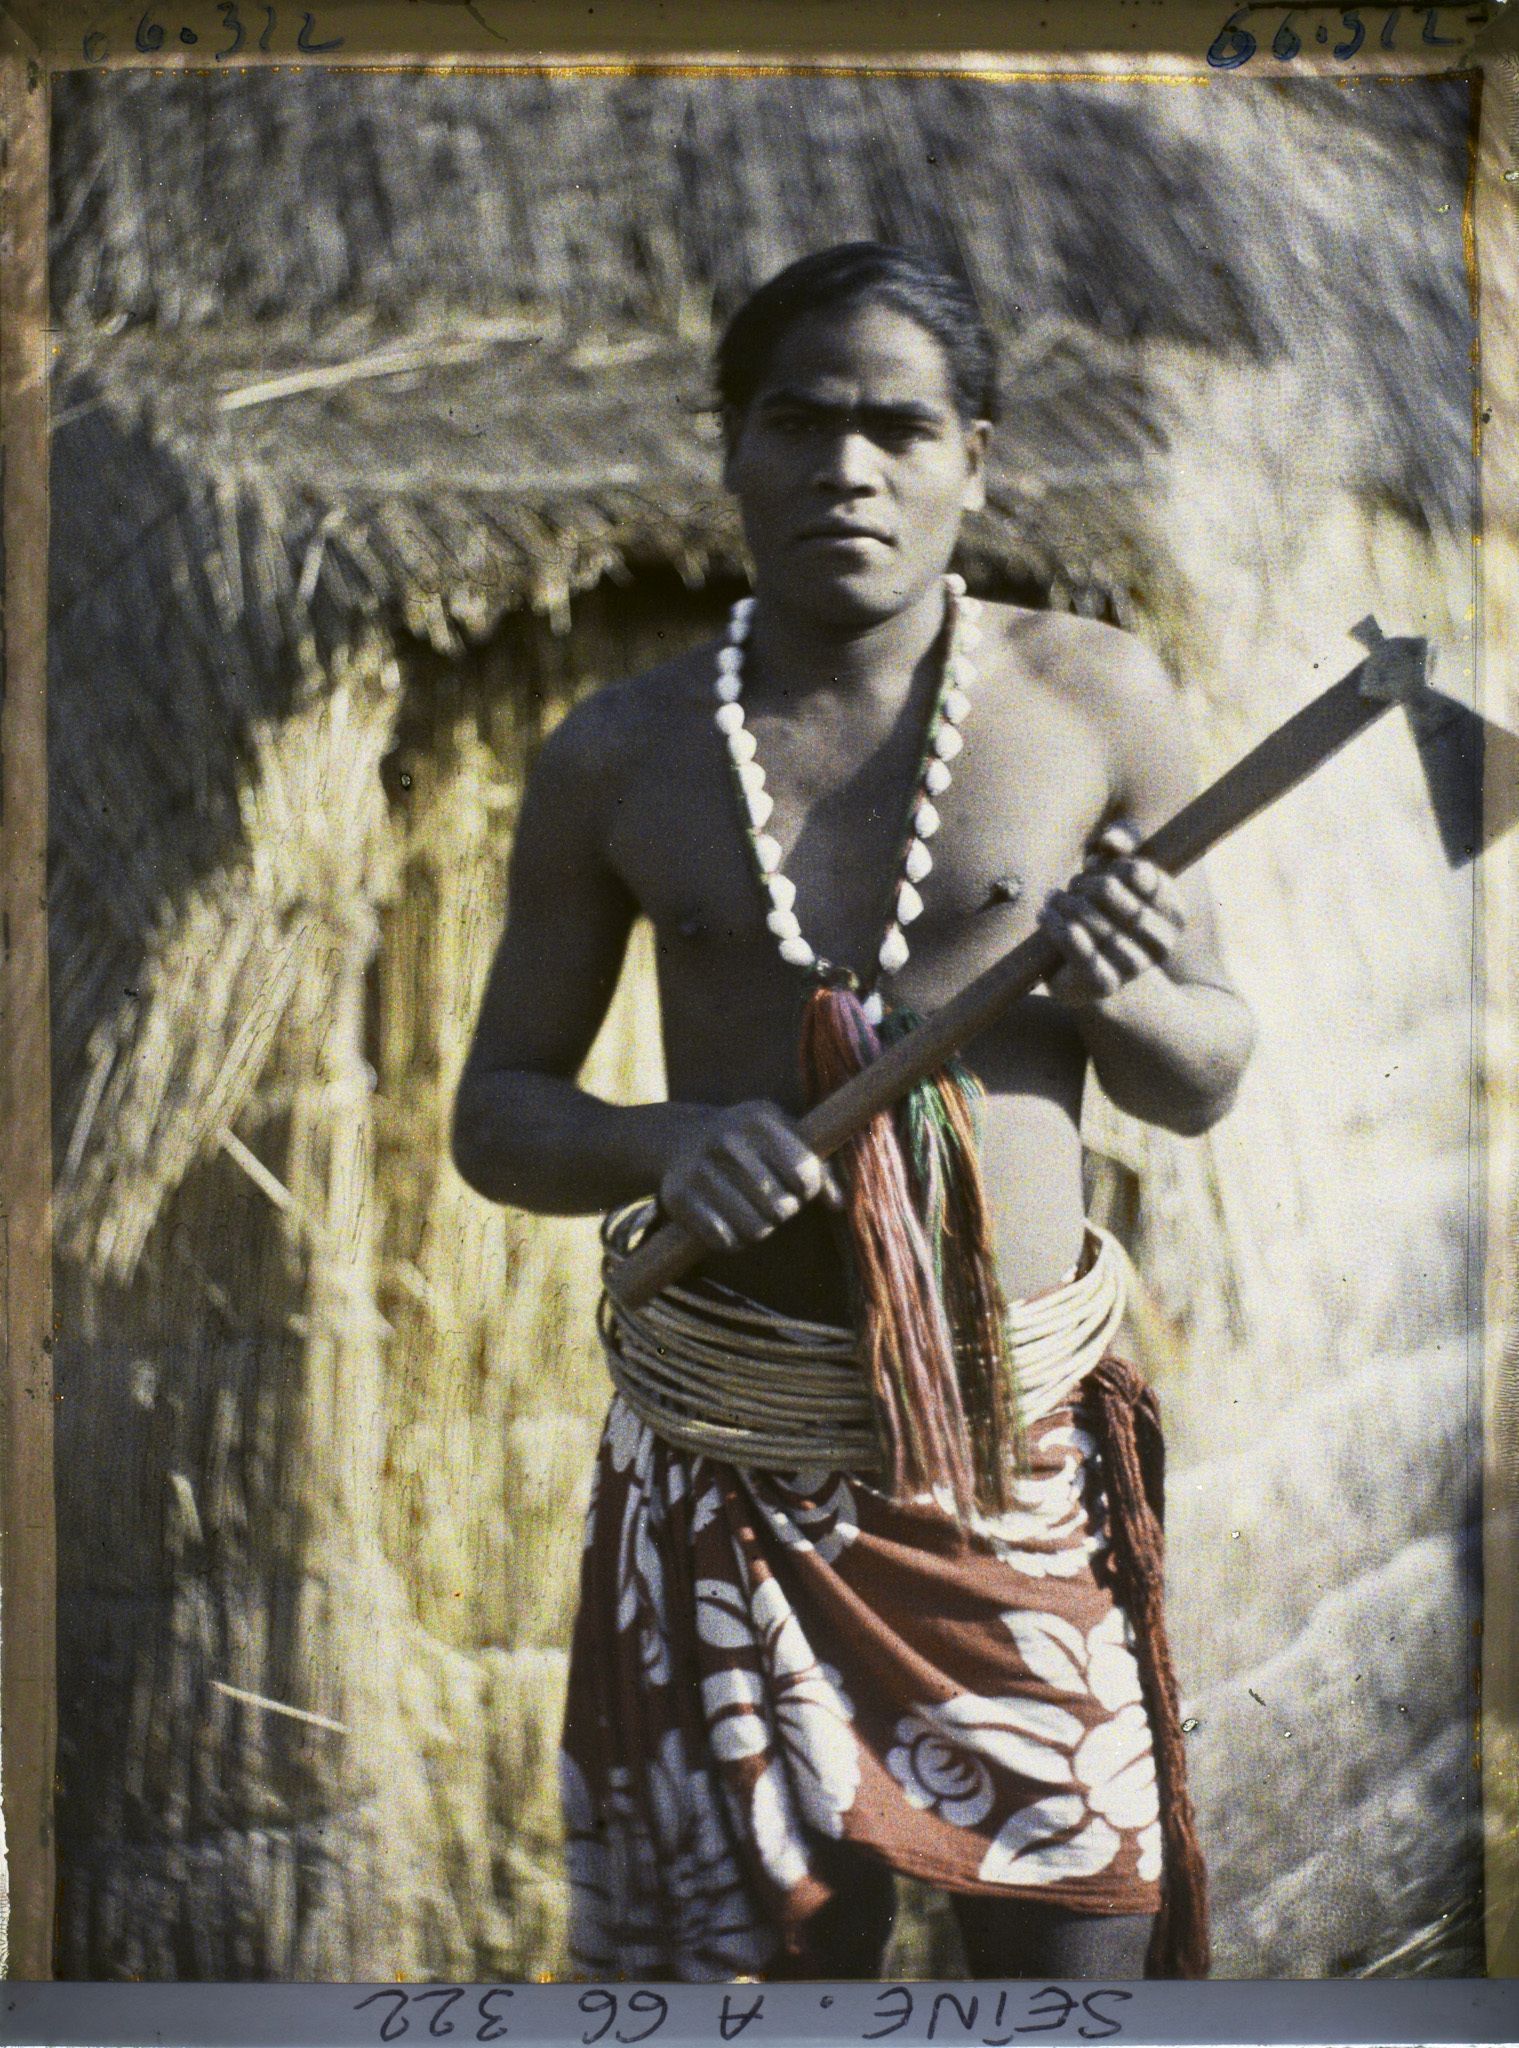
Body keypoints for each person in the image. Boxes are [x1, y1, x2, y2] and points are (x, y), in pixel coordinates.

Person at [452, 243, 1255, 1983]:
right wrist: (663, 1142)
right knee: (755, 1989)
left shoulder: (1089, 699)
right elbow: (496, 1118)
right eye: (799, 423)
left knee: (1069, 1968)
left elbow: (1201, 1076)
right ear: (729, 446)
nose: (849, 469)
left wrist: (1110, 986)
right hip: (728, 1472)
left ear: (978, 452)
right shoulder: (622, 753)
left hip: (1012, 1475)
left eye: (901, 427)